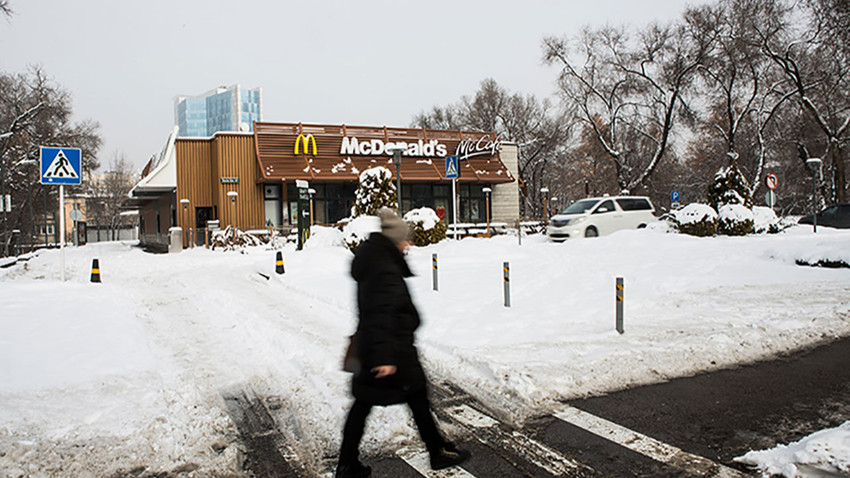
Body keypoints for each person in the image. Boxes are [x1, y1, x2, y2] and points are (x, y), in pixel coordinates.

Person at [336, 208, 471, 478]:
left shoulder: (376, 261)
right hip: (390, 349)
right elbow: (383, 312)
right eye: (406, 240)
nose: (409, 245)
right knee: (413, 396)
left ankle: (348, 465)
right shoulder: (385, 268)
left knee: (367, 404)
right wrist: (385, 357)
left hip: (376, 345)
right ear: (396, 240)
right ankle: (436, 452)